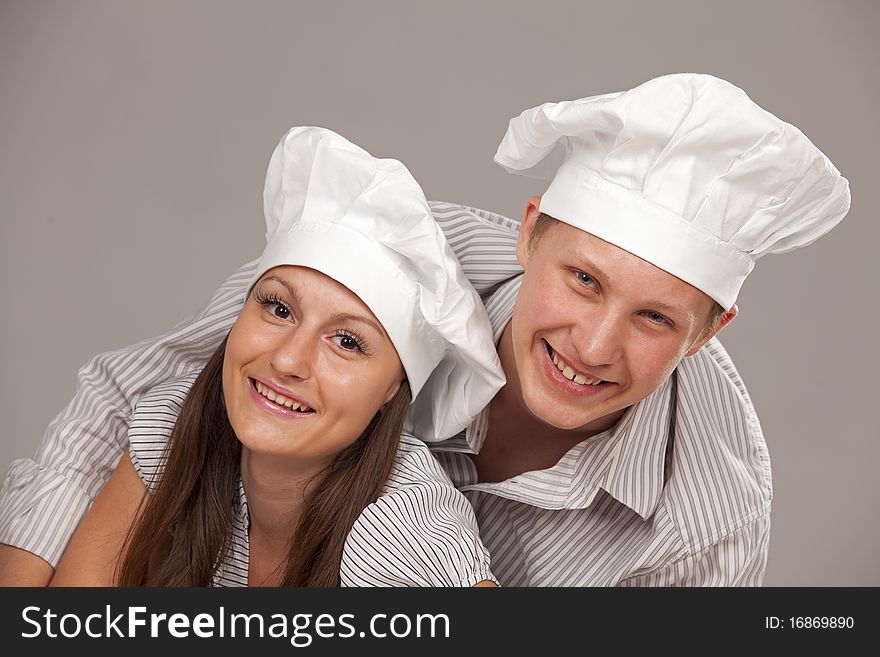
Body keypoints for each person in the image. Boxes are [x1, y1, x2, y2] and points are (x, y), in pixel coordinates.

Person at [0, 74, 850, 586]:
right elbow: (139, 399)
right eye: (582, 280)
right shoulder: (380, 258)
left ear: (710, 330)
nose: (593, 345)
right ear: (530, 233)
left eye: (655, 318)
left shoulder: (713, 511)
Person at [45, 126, 506, 586]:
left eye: (347, 341)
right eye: (279, 308)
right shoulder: (178, 422)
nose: (288, 361)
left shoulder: (399, 536)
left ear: (393, 388)